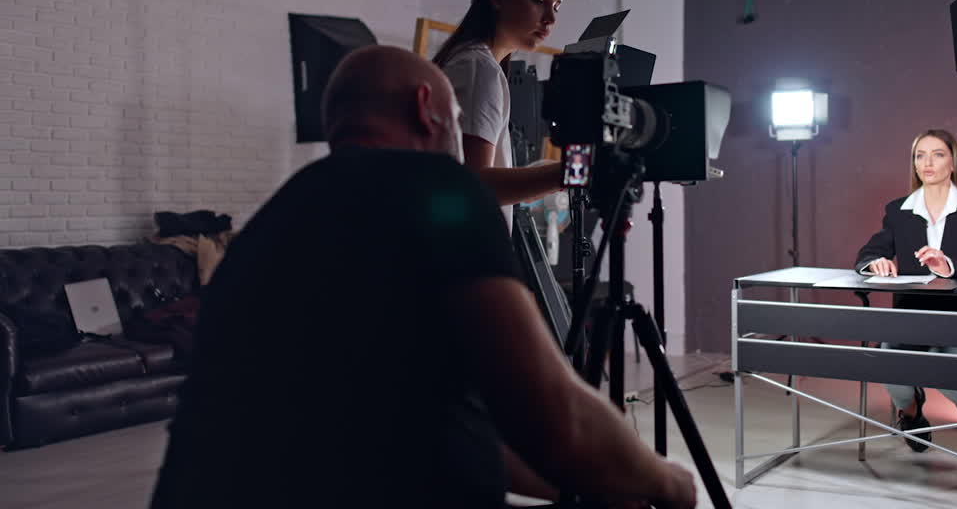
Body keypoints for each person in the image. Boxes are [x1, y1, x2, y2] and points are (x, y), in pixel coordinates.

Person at [150, 46, 696, 509]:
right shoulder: (439, 190)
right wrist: (669, 480)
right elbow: (558, 421)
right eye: (459, 118)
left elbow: (421, 424)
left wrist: (578, 483)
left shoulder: (279, 218)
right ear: (425, 110)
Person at [854, 128, 957, 464]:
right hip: (913, 314)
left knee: (949, 372)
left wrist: (948, 264)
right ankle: (911, 413)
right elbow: (869, 253)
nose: (927, 162)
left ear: (953, 162)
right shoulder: (898, 210)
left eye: (937, 154)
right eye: (920, 155)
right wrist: (875, 262)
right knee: (889, 366)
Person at [434, 0, 566, 229]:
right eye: (538, 0)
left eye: (556, 6)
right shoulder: (479, 68)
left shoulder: (469, 61)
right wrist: (572, 173)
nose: (551, 19)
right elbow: (477, 183)